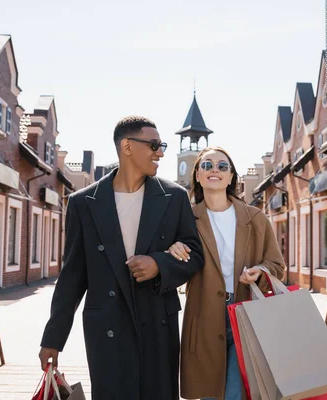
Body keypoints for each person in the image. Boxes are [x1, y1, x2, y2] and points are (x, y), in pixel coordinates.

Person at [39, 116, 204, 400]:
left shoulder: (174, 197)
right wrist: (54, 338)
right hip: (107, 326)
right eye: (153, 145)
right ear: (127, 146)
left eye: (162, 145)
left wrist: (159, 265)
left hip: (157, 322)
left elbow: (195, 254)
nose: (160, 152)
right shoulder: (83, 202)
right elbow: (73, 275)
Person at [168, 147, 285, 400]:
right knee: (209, 392)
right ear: (197, 175)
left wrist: (260, 272)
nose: (215, 171)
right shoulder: (184, 219)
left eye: (223, 166)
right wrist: (173, 250)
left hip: (246, 315)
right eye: (207, 165)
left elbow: (277, 265)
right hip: (204, 319)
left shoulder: (255, 219)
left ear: (231, 177)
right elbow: (174, 268)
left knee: (235, 393)